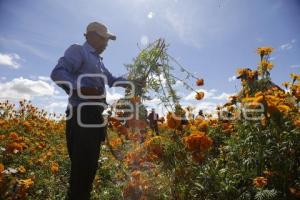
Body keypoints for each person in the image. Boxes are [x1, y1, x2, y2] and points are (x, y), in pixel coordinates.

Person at [51, 22, 128, 200]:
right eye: (105, 39)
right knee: (82, 165)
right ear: (92, 36)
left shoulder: (99, 62)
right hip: (81, 114)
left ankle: (82, 195)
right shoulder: (78, 50)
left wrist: (134, 80)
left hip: (95, 116)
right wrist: (81, 89)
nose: (107, 43)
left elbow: (113, 80)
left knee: (90, 164)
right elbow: (58, 73)